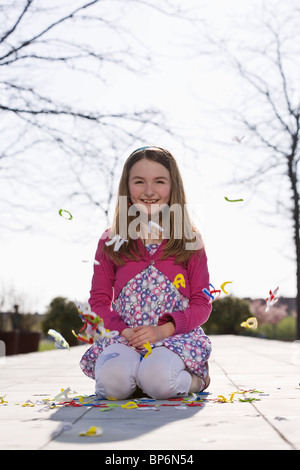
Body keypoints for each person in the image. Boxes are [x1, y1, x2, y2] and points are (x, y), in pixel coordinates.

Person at [80, 146, 212, 399]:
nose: (149, 191)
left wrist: (163, 330)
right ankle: (137, 378)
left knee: (161, 383)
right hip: (125, 338)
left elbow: (201, 303)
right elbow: (98, 301)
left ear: (173, 187)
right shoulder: (110, 241)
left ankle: (195, 379)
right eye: (139, 182)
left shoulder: (189, 240)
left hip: (173, 338)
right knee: (112, 387)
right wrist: (124, 330)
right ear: (127, 188)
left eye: (159, 182)